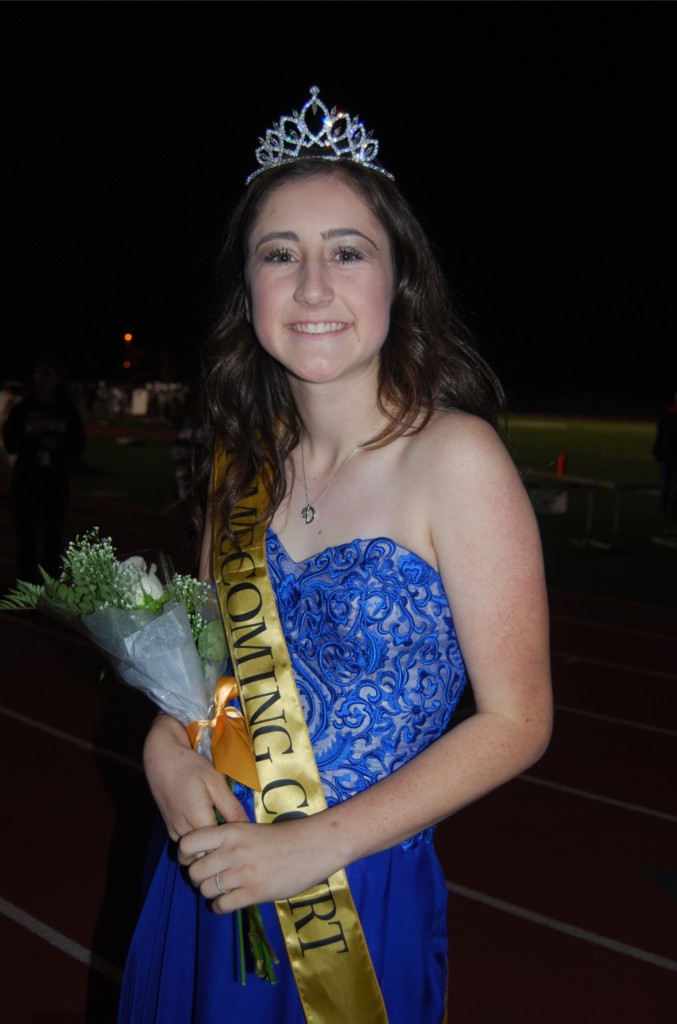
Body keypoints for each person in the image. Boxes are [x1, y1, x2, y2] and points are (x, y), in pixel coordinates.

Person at [118, 87, 552, 1023]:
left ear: (398, 280)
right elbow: (206, 670)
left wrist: (315, 845)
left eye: (346, 252)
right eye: (281, 255)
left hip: (350, 897)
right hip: (213, 864)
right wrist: (163, 746)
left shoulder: (456, 459)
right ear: (250, 289)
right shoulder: (242, 465)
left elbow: (517, 721)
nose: (312, 287)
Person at [2, 355, 85, 580]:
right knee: (25, 539)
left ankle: (50, 589)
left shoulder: (66, 410)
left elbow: (79, 445)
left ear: (58, 378)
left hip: (54, 484)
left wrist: (58, 445)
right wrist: (27, 437)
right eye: (39, 372)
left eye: (47, 374)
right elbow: (9, 442)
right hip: (26, 482)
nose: (41, 378)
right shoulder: (23, 408)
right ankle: (26, 587)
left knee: (52, 540)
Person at [652, 390, 677, 519]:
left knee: (667, 483)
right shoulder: (669, 414)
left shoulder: (667, 414)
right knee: (669, 484)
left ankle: (666, 510)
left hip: (667, 453)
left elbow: (660, 432)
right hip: (670, 454)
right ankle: (668, 510)